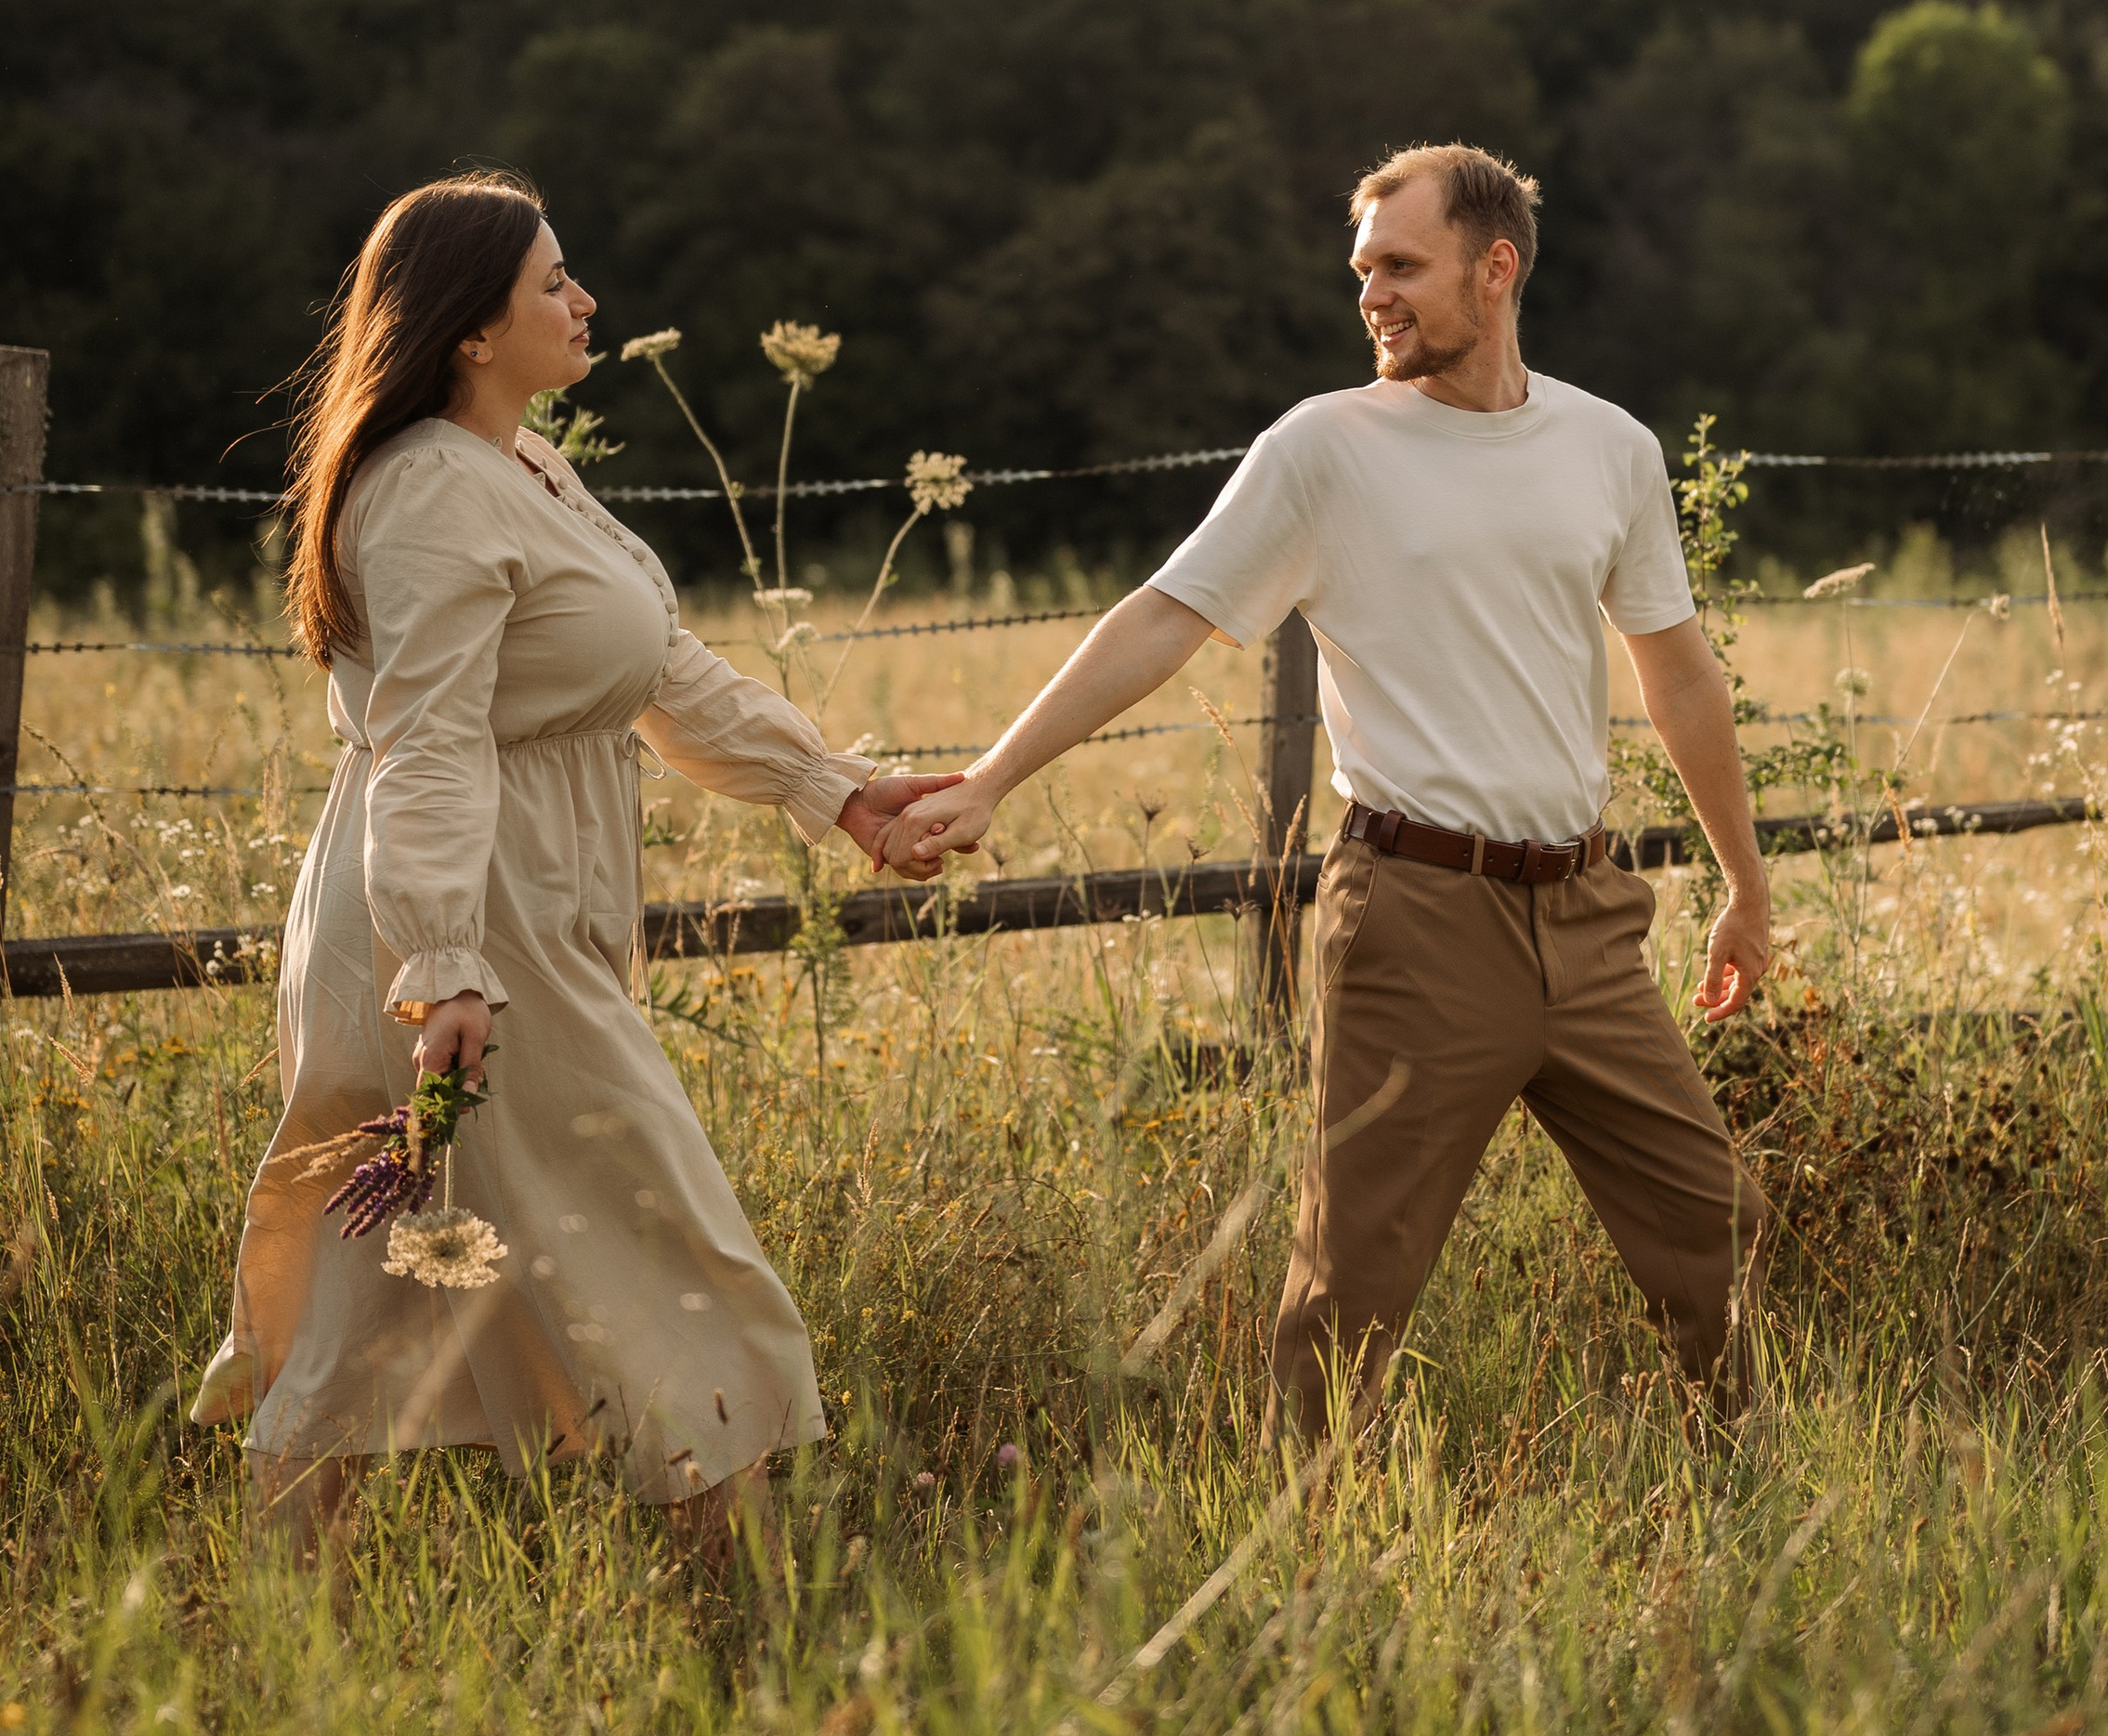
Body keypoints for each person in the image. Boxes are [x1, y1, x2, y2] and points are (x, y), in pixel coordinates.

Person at [886, 141, 1771, 1444]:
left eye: (1403, 267)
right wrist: (995, 776)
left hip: (1585, 915)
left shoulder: (1610, 448)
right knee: (1356, 1278)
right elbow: (1164, 617)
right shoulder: (1325, 448)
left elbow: (1681, 676)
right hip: (1416, 915)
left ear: (1498, 265)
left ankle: (1740, 1470)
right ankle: (1310, 1542)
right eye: (1364, 272)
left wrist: (1745, 883)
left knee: (1715, 1218)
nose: (1374, 296)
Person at [193, 172, 946, 1561]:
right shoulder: (428, 490)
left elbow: (660, 674)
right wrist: (442, 965)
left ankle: (295, 1631)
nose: (584, 300)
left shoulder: (520, 465)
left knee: (382, 1301)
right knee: (666, 1252)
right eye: (553, 281)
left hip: (502, 917)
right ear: (472, 328)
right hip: (470, 930)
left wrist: (840, 792)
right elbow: (423, 743)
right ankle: (748, 1623)